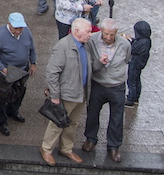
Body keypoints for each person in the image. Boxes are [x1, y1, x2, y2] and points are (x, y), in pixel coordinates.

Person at [41, 18, 94, 166]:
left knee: (73, 123)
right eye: (88, 31)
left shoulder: (86, 45)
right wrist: (55, 95)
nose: (90, 34)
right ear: (76, 31)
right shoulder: (62, 46)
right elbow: (52, 72)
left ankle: (66, 148)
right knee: (57, 123)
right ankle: (46, 149)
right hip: (66, 94)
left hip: (81, 93)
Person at [82, 18, 131, 163]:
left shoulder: (125, 44)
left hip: (117, 85)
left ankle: (114, 146)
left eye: (112, 35)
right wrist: (99, 63)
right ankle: (91, 139)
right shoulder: (92, 40)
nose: (109, 37)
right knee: (92, 112)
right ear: (101, 31)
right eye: (106, 34)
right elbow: (88, 63)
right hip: (98, 83)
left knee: (117, 117)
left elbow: (127, 59)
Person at [0, 12, 37, 136]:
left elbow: (32, 47)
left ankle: (13, 111)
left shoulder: (26, 31)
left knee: (20, 91)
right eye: (15, 28)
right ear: (8, 24)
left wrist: (33, 63)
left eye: (20, 28)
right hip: (7, 70)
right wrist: (2, 68)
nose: (18, 31)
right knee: (2, 96)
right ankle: (2, 121)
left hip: (23, 68)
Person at [125, 20, 152, 107]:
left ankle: (131, 99)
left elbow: (132, 49)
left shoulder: (141, 42)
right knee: (137, 80)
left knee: (131, 81)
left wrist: (128, 41)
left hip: (135, 63)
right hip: (140, 63)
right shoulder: (146, 40)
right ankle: (136, 97)